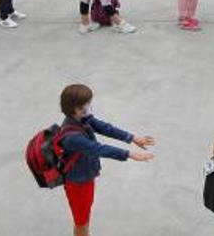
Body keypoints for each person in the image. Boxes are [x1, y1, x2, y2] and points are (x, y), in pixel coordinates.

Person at [56, 84, 155, 236]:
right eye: (86, 104)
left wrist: (133, 138)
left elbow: (104, 127)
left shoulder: (82, 118)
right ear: (75, 109)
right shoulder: (71, 138)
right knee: (81, 222)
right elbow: (99, 148)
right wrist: (130, 154)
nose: (89, 106)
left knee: (84, 217)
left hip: (85, 177)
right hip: (78, 184)